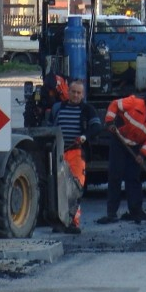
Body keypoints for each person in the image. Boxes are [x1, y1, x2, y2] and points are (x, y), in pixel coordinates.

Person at [97, 88, 146, 224]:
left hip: (135, 147)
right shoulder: (135, 102)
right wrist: (109, 121)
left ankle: (135, 211)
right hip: (119, 141)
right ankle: (112, 213)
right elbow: (114, 104)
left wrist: (142, 154)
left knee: (133, 178)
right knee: (115, 175)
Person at [49, 79, 101, 233]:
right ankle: (59, 221)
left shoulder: (87, 110)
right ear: (68, 92)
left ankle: (73, 222)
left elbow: (97, 126)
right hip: (59, 153)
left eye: (79, 92)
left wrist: (84, 136)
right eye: (73, 92)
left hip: (77, 153)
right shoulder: (57, 108)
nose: (76, 95)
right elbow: (50, 127)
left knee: (75, 188)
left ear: (83, 94)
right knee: (58, 189)